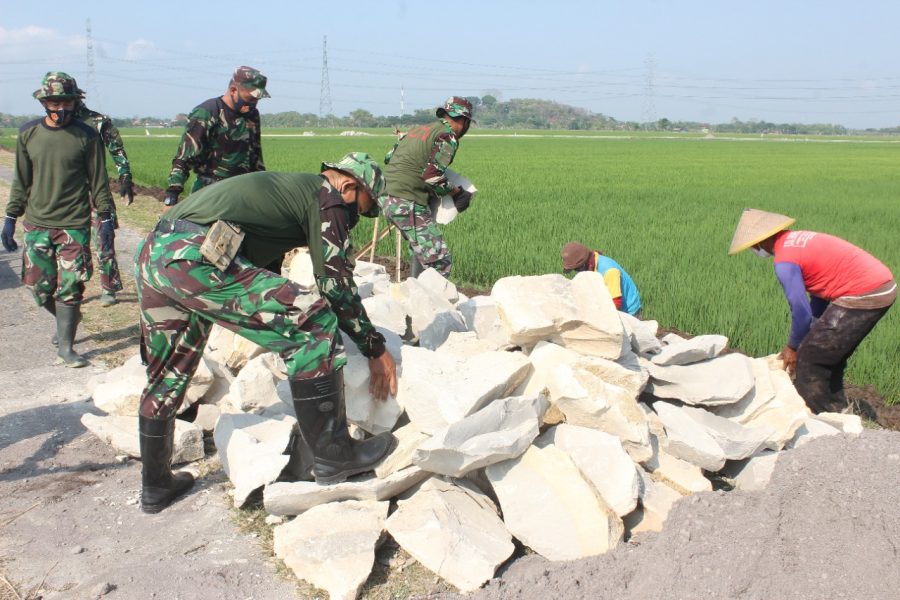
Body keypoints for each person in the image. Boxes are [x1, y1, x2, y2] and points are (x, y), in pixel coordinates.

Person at [134, 152, 397, 513]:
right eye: (363, 209)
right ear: (350, 186)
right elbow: (333, 284)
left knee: (169, 370)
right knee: (313, 320)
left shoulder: (289, 191)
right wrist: (374, 347)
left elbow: (259, 262)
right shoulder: (329, 197)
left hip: (157, 255)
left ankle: (156, 484)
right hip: (196, 258)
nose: (357, 218)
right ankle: (334, 455)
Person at [728, 208, 895, 414]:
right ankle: (838, 407)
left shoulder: (784, 262)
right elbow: (821, 290)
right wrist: (810, 334)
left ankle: (825, 419)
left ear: (761, 241)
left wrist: (792, 347)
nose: (754, 248)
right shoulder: (797, 240)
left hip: (864, 293)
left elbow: (801, 311)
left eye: (753, 245)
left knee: (810, 360)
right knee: (825, 351)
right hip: (880, 284)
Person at [1, 72, 114, 368]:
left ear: (75, 103)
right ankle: (69, 317)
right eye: (55, 102)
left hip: (74, 225)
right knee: (37, 288)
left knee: (71, 286)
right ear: (44, 103)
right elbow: (21, 180)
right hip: (37, 222)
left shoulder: (86, 136)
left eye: (66, 102)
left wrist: (104, 216)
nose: (61, 108)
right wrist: (11, 217)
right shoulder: (28, 134)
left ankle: (66, 347)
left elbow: (98, 180)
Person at [378, 96, 475, 277]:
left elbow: (389, 157)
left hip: (385, 194)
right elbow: (432, 176)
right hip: (406, 199)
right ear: (464, 121)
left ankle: (415, 293)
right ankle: (429, 303)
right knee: (439, 261)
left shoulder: (417, 130)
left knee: (421, 251)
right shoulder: (448, 136)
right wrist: (457, 193)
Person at [163, 66, 270, 209]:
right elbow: (184, 158)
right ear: (233, 90)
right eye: (249, 99)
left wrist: (264, 189)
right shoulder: (206, 113)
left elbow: (256, 156)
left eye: (256, 100)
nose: (252, 104)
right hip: (210, 194)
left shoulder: (252, 115)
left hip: (243, 194)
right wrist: (172, 195)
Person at [74, 84, 135, 306]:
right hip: (69, 195)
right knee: (74, 244)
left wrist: (125, 177)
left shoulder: (98, 122)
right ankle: (76, 286)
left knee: (104, 240)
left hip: (96, 190)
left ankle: (109, 288)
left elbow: (117, 151)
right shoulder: (59, 125)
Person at [561, 241, 642, 316]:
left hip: (628, 312)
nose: (577, 272)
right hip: (609, 302)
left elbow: (616, 303)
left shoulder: (609, 271)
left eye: (576, 269)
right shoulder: (591, 264)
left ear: (582, 265)